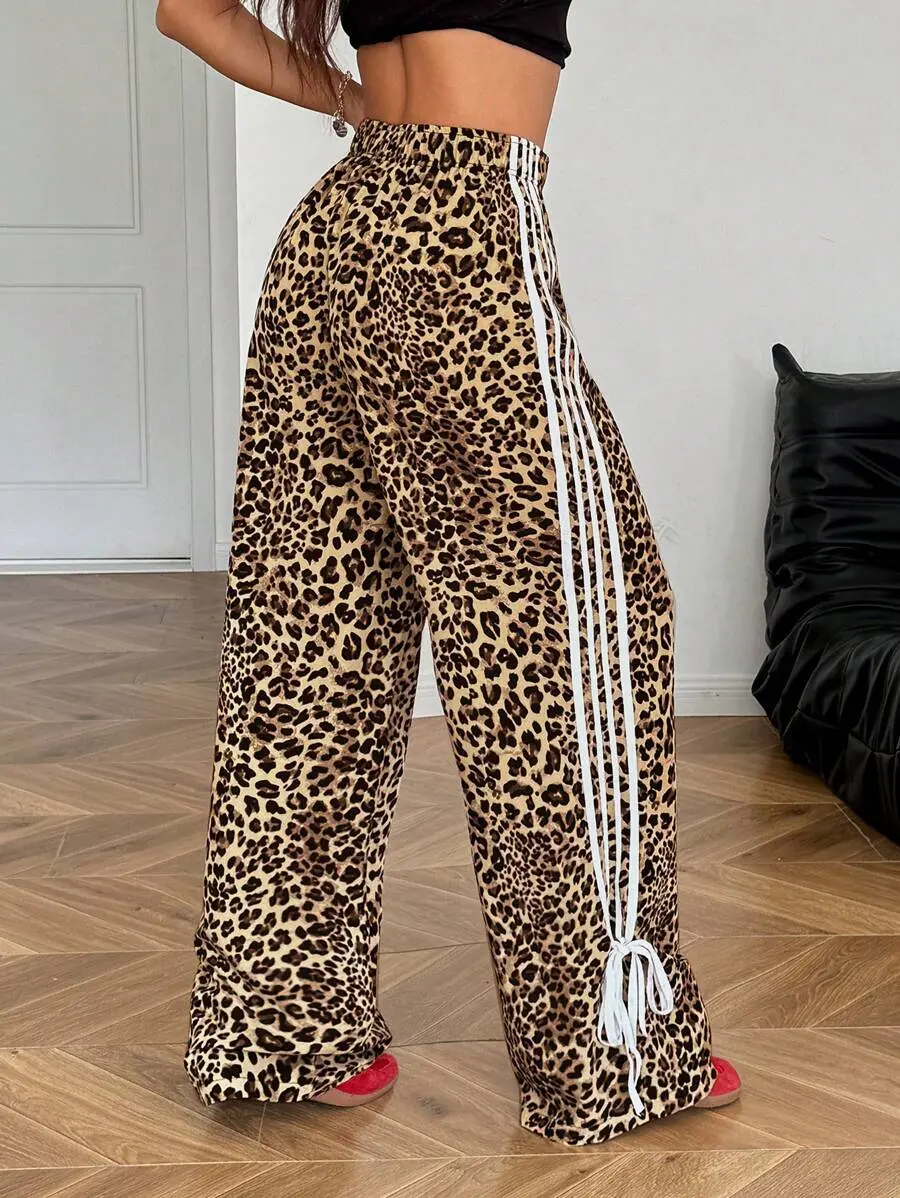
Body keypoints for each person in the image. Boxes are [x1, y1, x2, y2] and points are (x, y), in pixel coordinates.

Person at [156, 0, 742, 1146]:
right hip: (466, 237)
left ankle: (284, 1030)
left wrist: (355, 102)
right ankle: (610, 1055)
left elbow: (188, 9)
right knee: (575, 644)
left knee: (313, 652)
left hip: (336, 237)